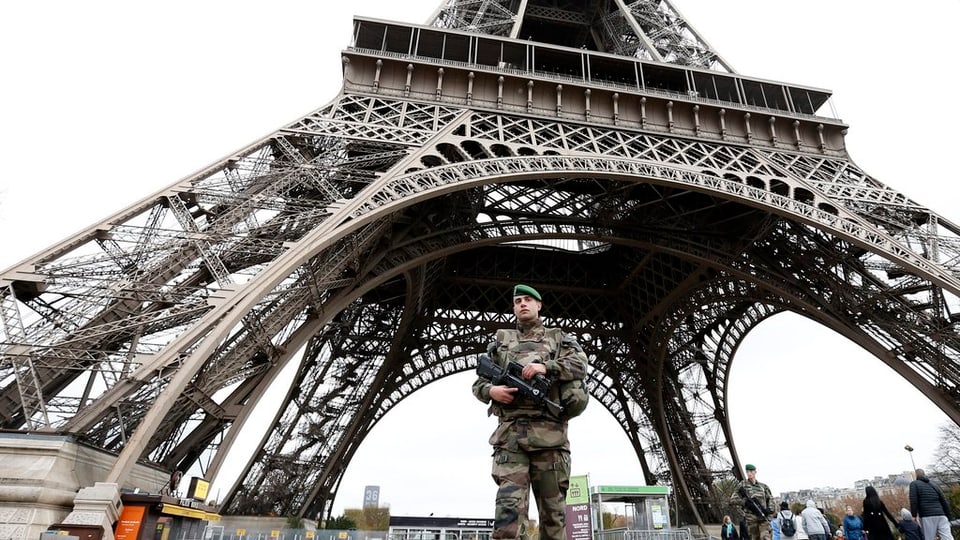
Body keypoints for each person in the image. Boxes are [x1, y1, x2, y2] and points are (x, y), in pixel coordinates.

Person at [472, 284, 588, 540]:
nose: (522, 304)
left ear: (539, 305)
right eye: (517, 301)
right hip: (510, 440)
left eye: (528, 300)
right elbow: (478, 384)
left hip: (550, 440)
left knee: (553, 518)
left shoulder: (559, 339)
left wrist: (546, 367)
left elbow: (580, 365)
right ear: (513, 308)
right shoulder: (501, 342)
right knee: (507, 518)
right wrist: (492, 392)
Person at [908, 468, 954, 540]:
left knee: (929, 538)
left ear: (916, 475)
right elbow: (944, 501)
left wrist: (914, 515)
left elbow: (914, 500)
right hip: (941, 515)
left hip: (927, 515)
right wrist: (948, 515)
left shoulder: (914, 484)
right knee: (947, 537)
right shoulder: (934, 484)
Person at [733, 464, 774, 540]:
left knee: (765, 537)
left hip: (763, 519)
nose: (749, 473)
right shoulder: (742, 485)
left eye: (751, 471)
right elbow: (732, 500)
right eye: (747, 471)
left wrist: (768, 511)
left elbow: (771, 500)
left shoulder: (763, 486)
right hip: (751, 521)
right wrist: (745, 503)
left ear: (755, 472)